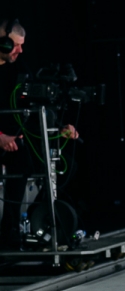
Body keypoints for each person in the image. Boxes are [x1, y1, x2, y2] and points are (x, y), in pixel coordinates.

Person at [0, 18, 79, 248]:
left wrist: (60, 128)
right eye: (15, 45)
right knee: (21, 163)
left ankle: (22, 227)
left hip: (14, 141)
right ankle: (9, 232)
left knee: (60, 165)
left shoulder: (20, 69)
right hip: (3, 140)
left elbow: (36, 103)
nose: (20, 50)